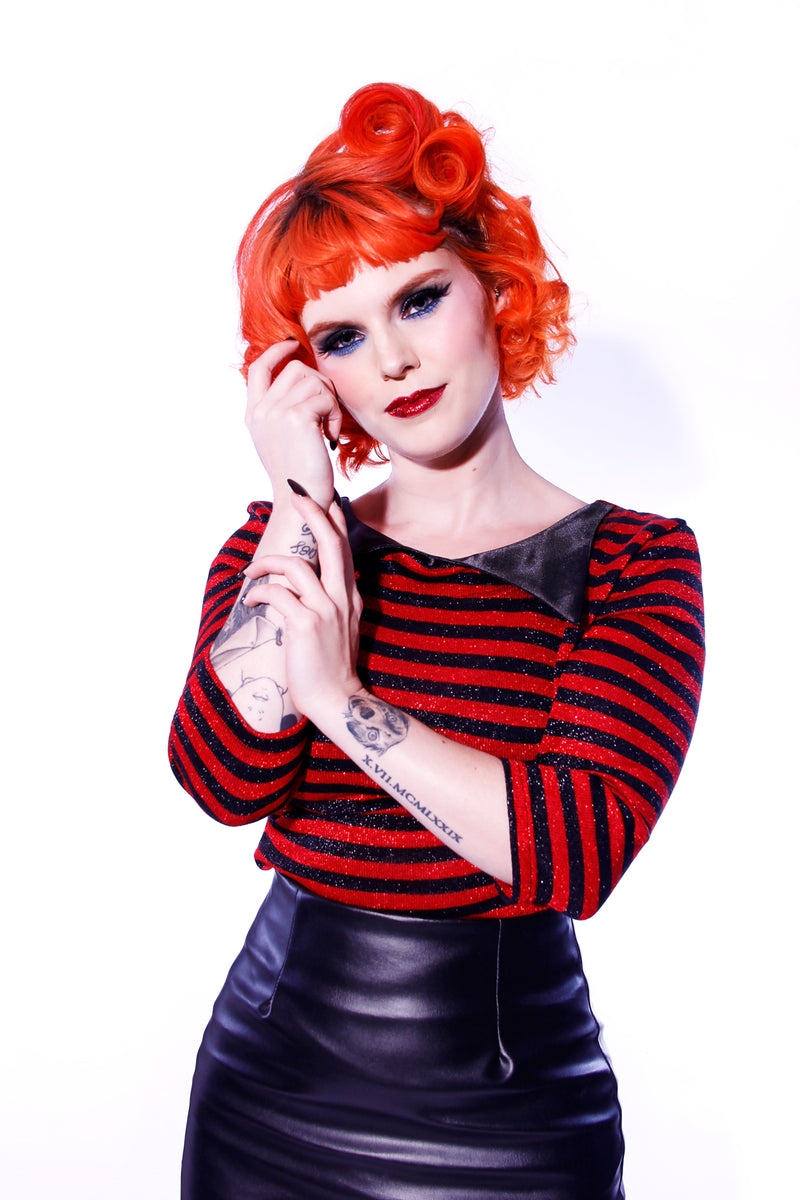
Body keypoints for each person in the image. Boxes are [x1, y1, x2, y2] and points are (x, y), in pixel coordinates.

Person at [169, 82, 704, 1200]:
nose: (393, 362)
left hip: (506, 1114)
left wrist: (338, 698)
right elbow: (221, 779)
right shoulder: (281, 544)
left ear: (493, 288)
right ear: (309, 373)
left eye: (417, 300)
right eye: (343, 336)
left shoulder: (631, 562)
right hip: (267, 1082)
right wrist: (301, 501)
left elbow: (577, 850)